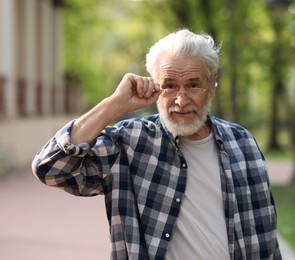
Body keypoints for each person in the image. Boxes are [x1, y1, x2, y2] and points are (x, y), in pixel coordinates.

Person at [32, 29, 281, 260]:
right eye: (170, 86)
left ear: (211, 84)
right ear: (154, 86)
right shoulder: (129, 143)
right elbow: (51, 168)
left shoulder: (243, 143)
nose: (181, 101)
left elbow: (265, 239)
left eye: (193, 85)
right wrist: (113, 105)